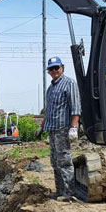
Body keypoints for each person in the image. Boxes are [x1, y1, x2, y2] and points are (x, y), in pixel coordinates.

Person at [36, 56, 81, 201]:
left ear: (62, 68)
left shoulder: (69, 84)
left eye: (57, 68)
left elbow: (75, 108)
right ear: (48, 71)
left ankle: (69, 193)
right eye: (51, 69)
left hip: (62, 128)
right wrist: (42, 127)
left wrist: (73, 127)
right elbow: (48, 110)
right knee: (54, 162)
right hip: (52, 129)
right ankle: (59, 191)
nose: (54, 71)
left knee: (64, 161)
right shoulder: (50, 89)